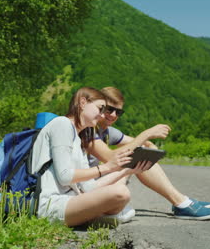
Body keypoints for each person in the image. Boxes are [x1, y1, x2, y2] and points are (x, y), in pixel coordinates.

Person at [87, 87, 210, 220]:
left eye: (119, 112)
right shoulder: (88, 129)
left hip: (96, 182)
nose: (114, 115)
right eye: (110, 109)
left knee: (141, 156)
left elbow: (137, 143)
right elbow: (110, 158)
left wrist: (149, 145)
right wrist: (147, 134)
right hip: (86, 188)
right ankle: (181, 203)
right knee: (133, 158)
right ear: (100, 107)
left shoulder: (108, 131)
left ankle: (181, 201)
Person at [30, 87, 152, 227]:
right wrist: (106, 167)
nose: (101, 115)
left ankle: (98, 217)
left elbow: (89, 187)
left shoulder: (77, 138)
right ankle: (101, 218)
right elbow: (65, 176)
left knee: (121, 193)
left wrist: (127, 171)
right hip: (50, 204)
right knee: (120, 193)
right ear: (82, 103)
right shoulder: (61, 124)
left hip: (70, 200)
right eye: (100, 108)